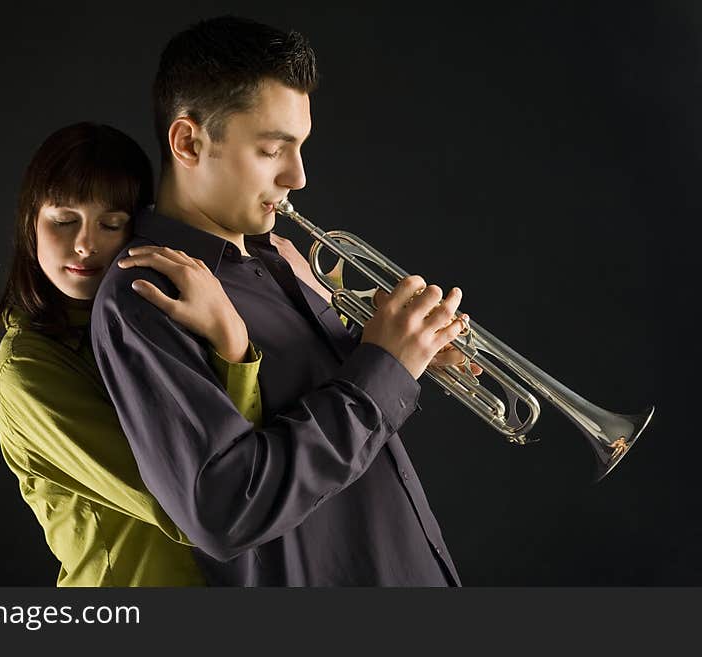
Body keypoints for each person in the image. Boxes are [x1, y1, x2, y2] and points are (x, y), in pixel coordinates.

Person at [91, 17, 474, 586]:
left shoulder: (281, 258)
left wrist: (406, 353)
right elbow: (225, 509)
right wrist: (382, 372)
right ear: (188, 141)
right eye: (273, 150)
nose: (297, 175)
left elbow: (336, 430)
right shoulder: (146, 294)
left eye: (300, 148)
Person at [0, 122, 266, 586]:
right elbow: (199, 512)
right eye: (63, 220)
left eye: (111, 224)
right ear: (29, 221)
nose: (85, 243)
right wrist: (233, 346)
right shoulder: (26, 372)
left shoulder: (156, 313)